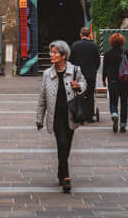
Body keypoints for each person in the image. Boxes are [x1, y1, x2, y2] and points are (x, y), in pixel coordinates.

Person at [36, 40, 86, 194]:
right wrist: (39, 118)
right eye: (51, 52)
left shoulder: (75, 70)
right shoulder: (47, 74)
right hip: (56, 115)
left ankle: (60, 170)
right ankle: (66, 177)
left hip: (70, 115)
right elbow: (42, 98)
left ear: (63, 55)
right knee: (62, 143)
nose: (52, 55)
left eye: (55, 52)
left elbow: (84, 84)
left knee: (67, 145)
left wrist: (79, 87)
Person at [102, 32, 128, 133]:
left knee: (113, 101)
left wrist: (103, 79)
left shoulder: (107, 53)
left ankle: (114, 114)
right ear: (122, 42)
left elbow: (105, 68)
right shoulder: (125, 52)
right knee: (124, 103)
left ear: (111, 42)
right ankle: (123, 125)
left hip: (113, 81)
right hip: (124, 81)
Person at [69, 26, 101, 122]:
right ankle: (89, 116)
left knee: (78, 94)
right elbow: (98, 61)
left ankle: (80, 115)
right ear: (89, 35)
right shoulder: (94, 46)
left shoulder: (74, 45)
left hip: (78, 76)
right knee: (90, 95)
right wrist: (94, 69)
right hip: (91, 75)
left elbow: (71, 61)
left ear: (80, 35)